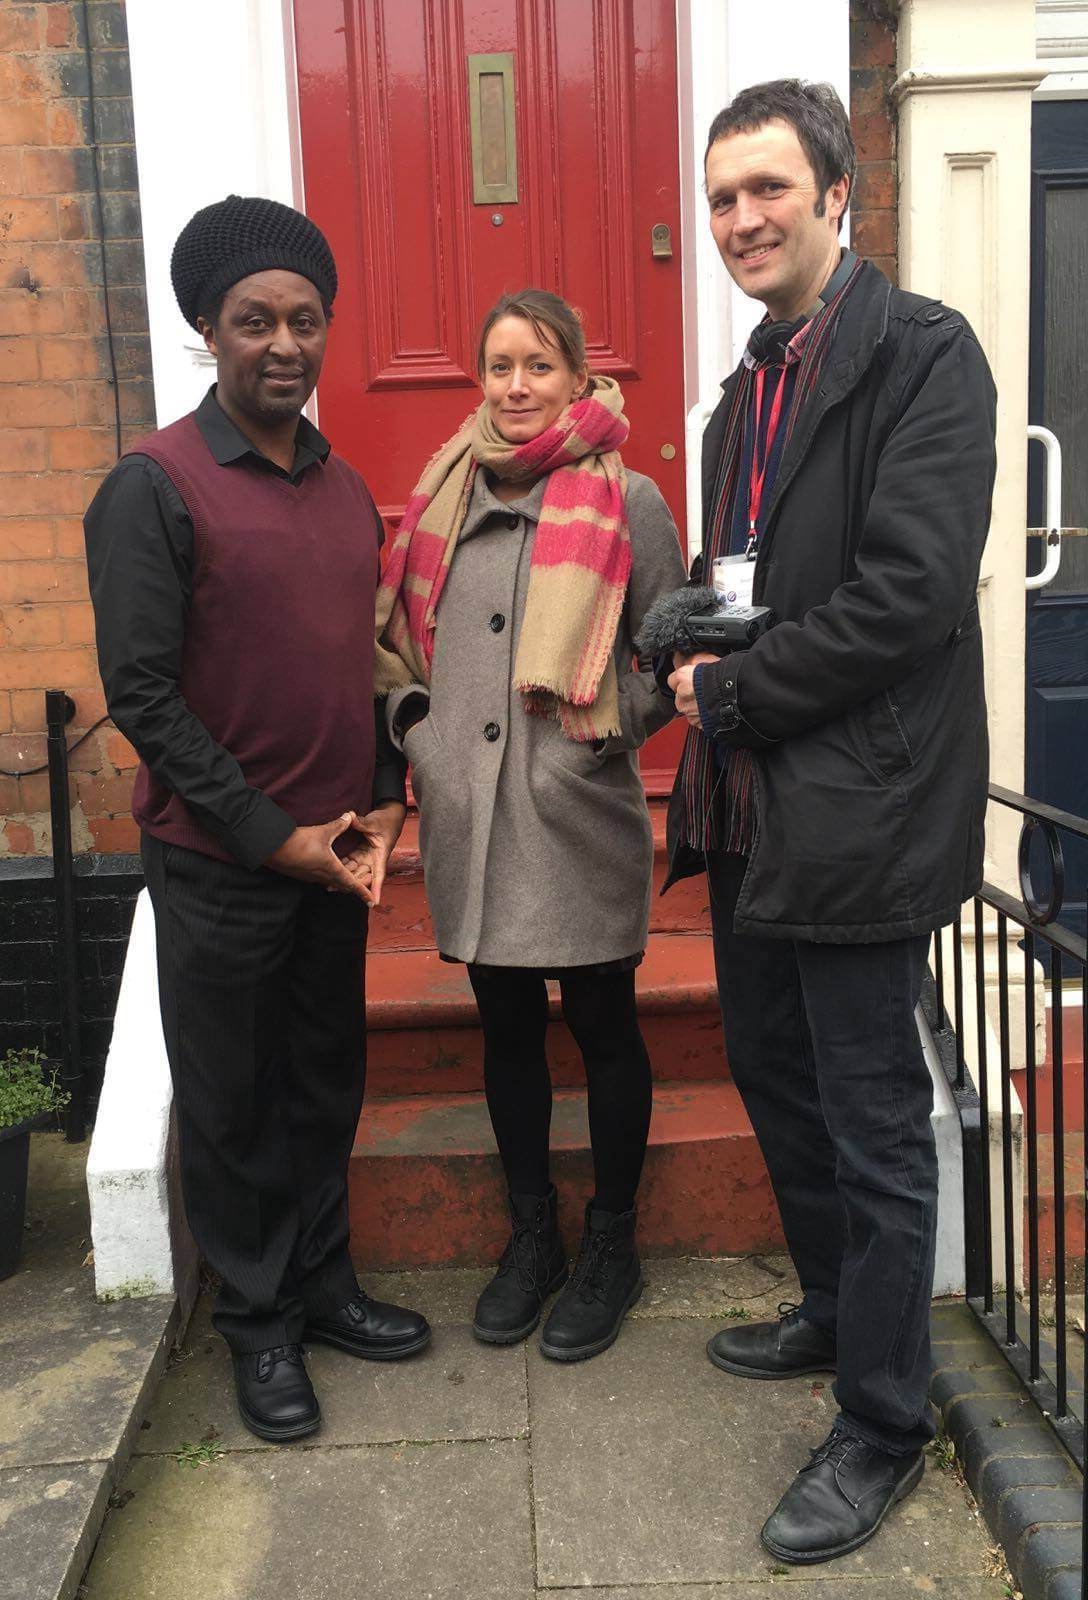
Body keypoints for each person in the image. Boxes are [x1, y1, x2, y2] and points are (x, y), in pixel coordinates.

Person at [664, 82, 996, 1563]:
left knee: (871, 1123)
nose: (740, 220)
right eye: (720, 198)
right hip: (752, 807)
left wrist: (734, 690)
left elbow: (908, 595)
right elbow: (748, 576)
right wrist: (680, 624)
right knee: (774, 1073)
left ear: (835, 194)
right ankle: (827, 1306)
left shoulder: (922, 353)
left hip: (860, 807)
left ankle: (881, 1421)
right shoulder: (743, 395)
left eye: (766, 190)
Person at [83, 195, 429, 1444]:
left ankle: (324, 1284)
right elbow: (142, 695)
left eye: (304, 320)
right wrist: (262, 829)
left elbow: (364, 664)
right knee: (232, 1103)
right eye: (254, 321)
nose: (284, 343)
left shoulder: (341, 489)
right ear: (207, 329)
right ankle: (259, 1320)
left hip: (332, 856)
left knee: (323, 1081)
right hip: (221, 860)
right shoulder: (155, 486)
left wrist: (381, 797)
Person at [370, 288, 687, 1361]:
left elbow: (667, 652)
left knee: (602, 1025)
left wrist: (598, 736)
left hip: (574, 812)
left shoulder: (628, 497)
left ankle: (611, 1243)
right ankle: (532, 1236)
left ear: (578, 377)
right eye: (499, 366)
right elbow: (396, 642)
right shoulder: (445, 492)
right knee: (504, 1027)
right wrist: (416, 732)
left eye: (538, 366)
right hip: (470, 806)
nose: (516, 387)